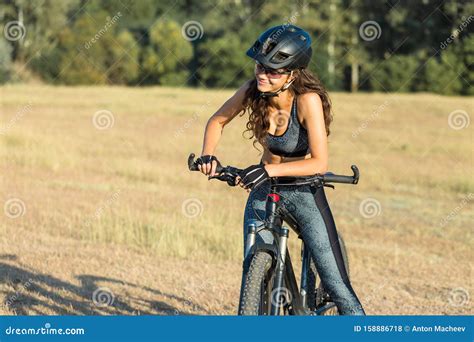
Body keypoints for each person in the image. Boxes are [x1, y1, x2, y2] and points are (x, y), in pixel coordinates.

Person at [196, 25, 365, 315]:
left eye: (273, 70)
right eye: (260, 66)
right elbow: (217, 121)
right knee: (252, 267)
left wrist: (266, 171)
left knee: (338, 287)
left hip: (304, 193)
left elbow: (319, 163)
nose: (263, 74)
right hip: (266, 190)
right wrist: (208, 156)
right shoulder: (253, 90)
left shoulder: (307, 100)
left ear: (292, 74)